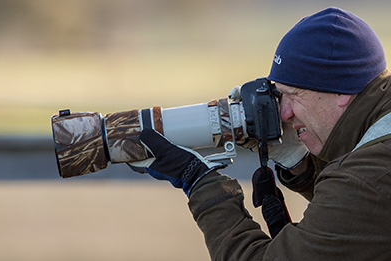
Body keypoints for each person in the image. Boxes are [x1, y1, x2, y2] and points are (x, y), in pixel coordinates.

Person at [133, 7, 391, 260]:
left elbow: (357, 199)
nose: (284, 114)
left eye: (294, 95)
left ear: (342, 92)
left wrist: (200, 182)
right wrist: (299, 163)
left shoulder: (367, 179)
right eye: (279, 96)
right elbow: (358, 225)